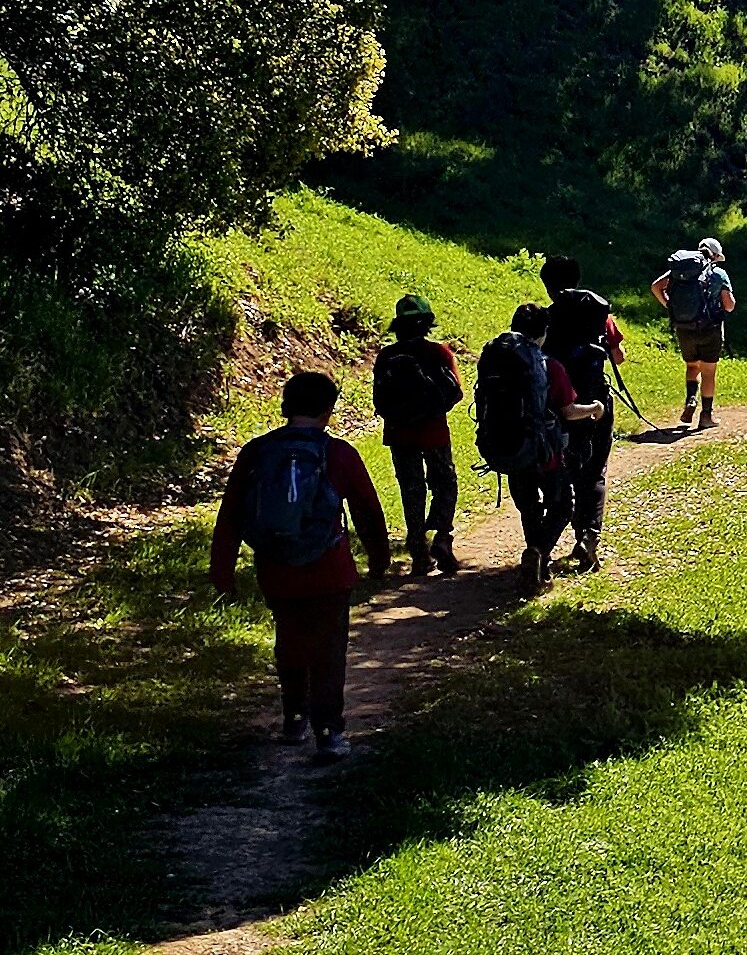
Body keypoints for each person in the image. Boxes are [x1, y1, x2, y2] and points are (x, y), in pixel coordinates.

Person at [209, 370, 391, 759]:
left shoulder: (257, 452)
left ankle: (294, 718)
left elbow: (232, 514)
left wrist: (222, 571)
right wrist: (379, 559)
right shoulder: (338, 453)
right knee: (328, 649)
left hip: (276, 567)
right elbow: (367, 510)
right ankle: (328, 731)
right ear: (328, 410)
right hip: (329, 569)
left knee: (289, 641)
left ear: (285, 405)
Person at [477, 304, 605, 595]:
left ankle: (537, 567)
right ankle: (538, 552)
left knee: (529, 508)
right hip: (545, 453)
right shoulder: (549, 366)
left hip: (510, 448)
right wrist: (595, 408)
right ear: (543, 332)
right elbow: (568, 411)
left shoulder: (497, 362)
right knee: (562, 506)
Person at [541, 253, 625, 570]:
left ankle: (543, 541)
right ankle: (587, 538)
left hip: (556, 407)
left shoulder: (545, 319)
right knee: (594, 470)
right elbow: (618, 356)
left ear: (548, 287)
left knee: (565, 469)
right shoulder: (599, 316)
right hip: (596, 403)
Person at [370, 294, 462, 577]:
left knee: (411, 489)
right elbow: (456, 392)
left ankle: (418, 549)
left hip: (399, 434)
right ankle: (442, 536)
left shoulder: (386, 357)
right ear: (427, 323)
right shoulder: (439, 352)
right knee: (445, 484)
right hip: (434, 432)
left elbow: (379, 401)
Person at [651, 236, 735, 429]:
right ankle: (706, 416)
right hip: (710, 328)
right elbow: (729, 306)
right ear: (715, 256)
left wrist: (669, 306)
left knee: (691, 366)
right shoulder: (718, 273)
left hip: (684, 327)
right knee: (708, 372)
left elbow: (656, 287)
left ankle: (690, 399)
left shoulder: (680, 270)